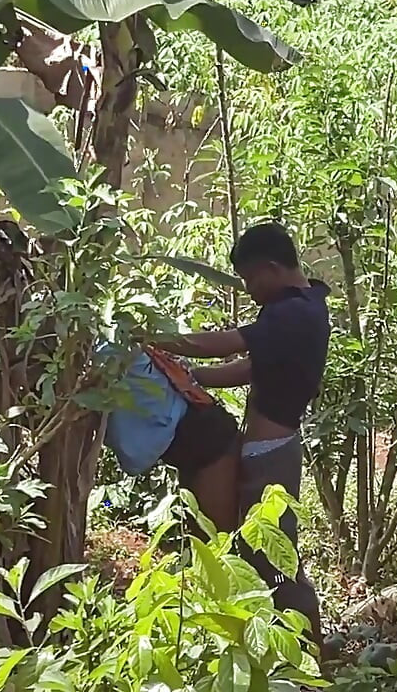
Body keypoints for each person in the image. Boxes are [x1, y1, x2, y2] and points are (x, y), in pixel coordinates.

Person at [150, 221, 329, 644]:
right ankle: (280, 641)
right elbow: (251, 367)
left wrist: (156, 339)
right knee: (258, 547)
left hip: (271, 453)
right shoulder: (303, 305)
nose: (248, 288)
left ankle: (307, 645)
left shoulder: (292, 313)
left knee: (271, 552)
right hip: (270, 448)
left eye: (249, 278)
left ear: (270, 267)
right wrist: (194, 377)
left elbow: (224, 344)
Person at [99, 345, 241, 529]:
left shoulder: (109, 345)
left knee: (218, 534)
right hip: (192, 437)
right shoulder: (107, 345)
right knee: (205, 531)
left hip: (208, 440)